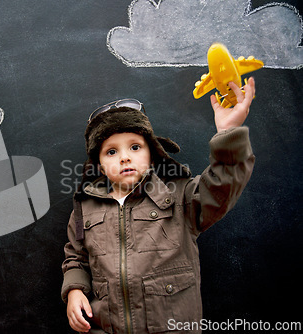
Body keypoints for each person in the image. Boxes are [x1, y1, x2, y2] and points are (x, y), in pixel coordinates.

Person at [61, 78, 256, 333]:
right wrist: (75, 289)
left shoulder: (179, 195)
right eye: (111, 152)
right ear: (99, 165)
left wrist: (228, 133)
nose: (125, 157)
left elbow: (222, 187)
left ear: (151, 153)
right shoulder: (84, 208)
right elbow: (75, 256)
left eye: (135, 147)